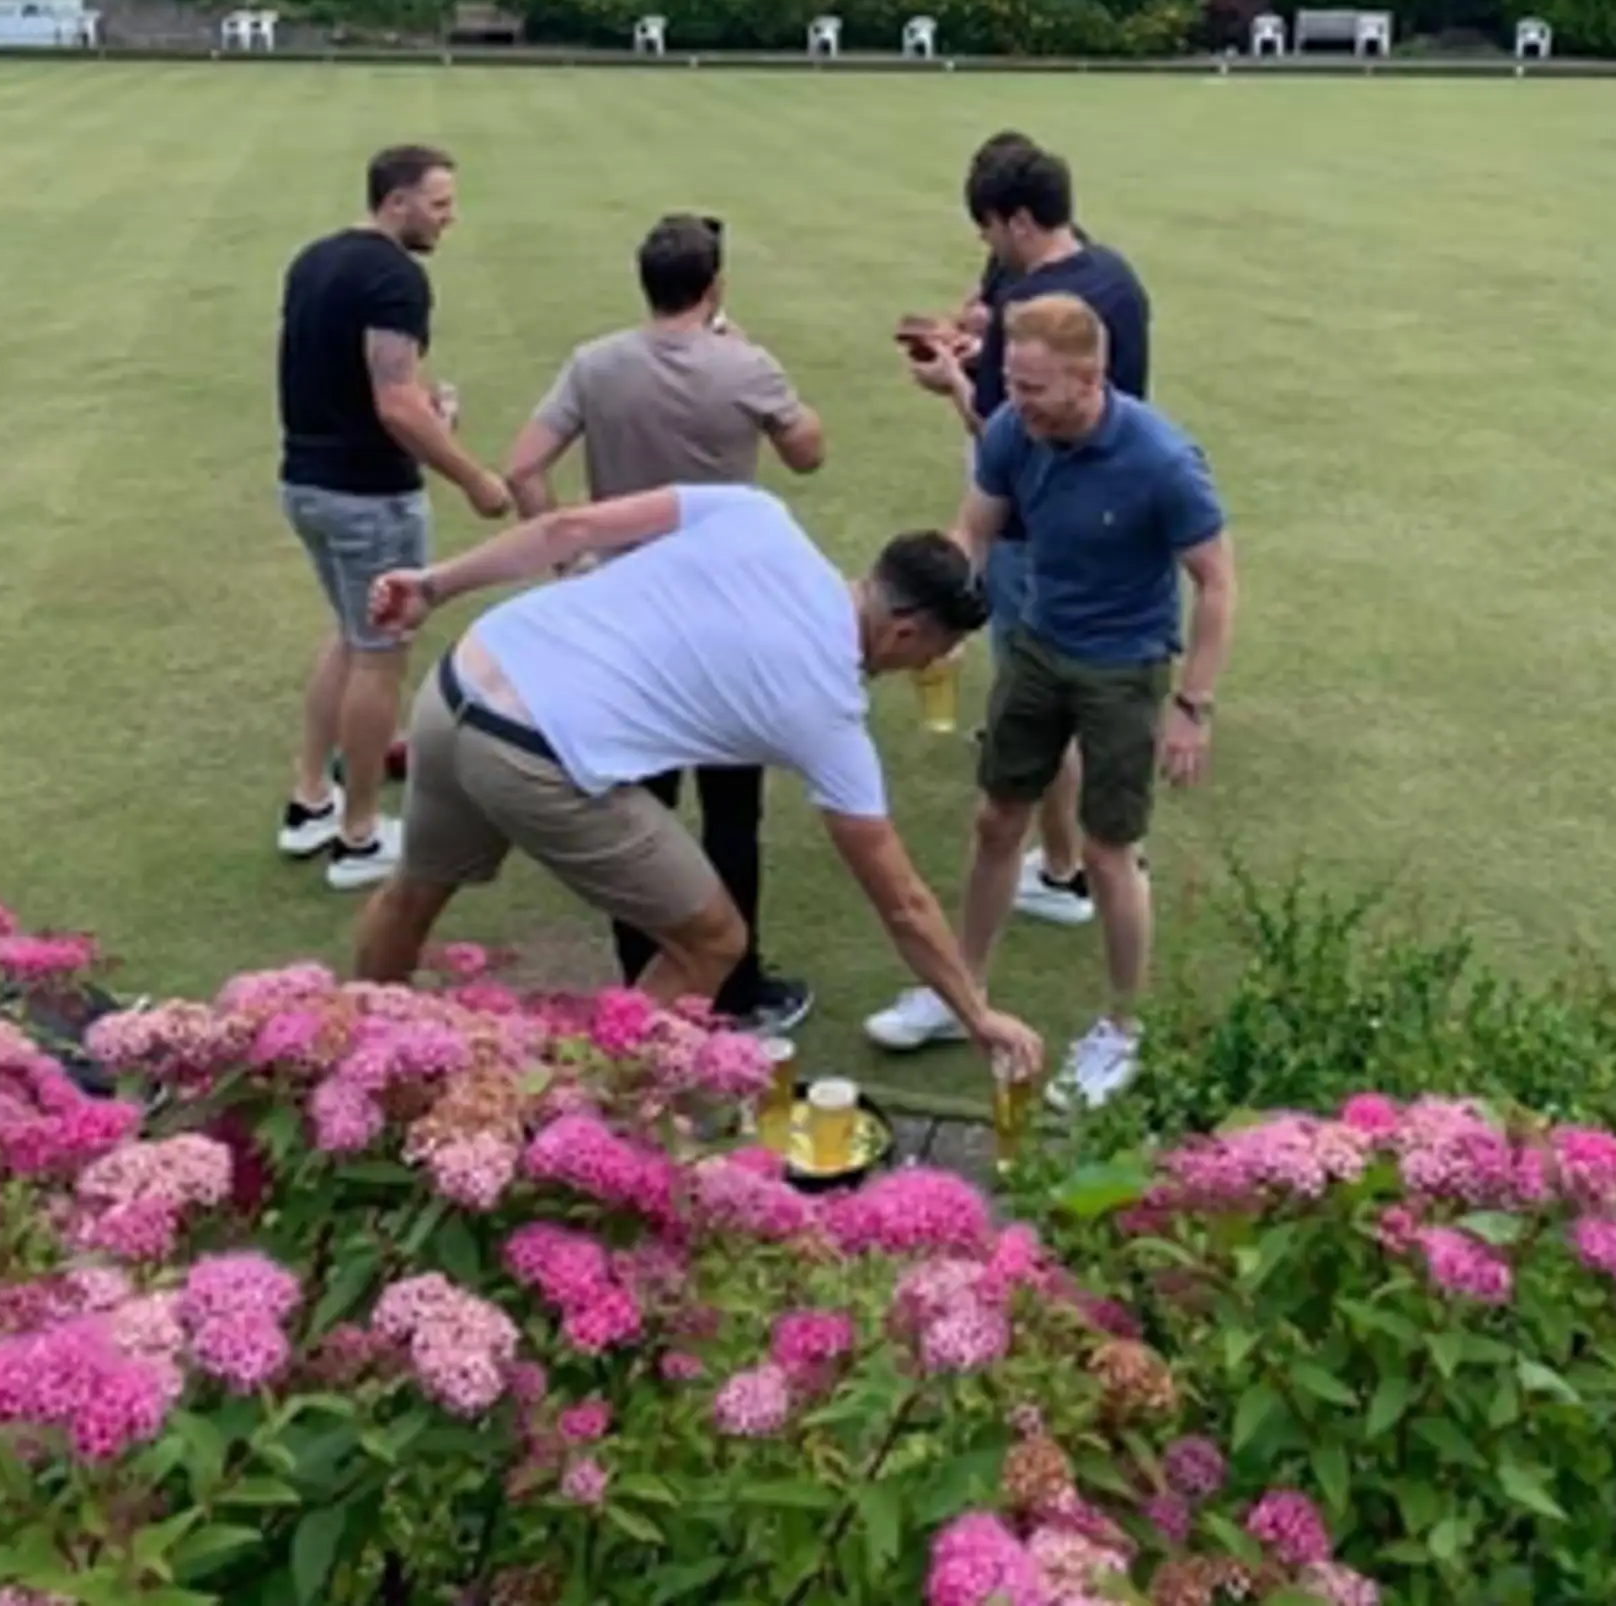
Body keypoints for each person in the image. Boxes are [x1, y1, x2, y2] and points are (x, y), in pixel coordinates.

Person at [352, 485, 1048, 1091]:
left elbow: (571, 530)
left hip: (464, 676)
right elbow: (902, 901)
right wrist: (975, 1012)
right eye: (933, 653)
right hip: (539, 754)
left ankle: (350, 1065)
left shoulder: (759, 515)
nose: (925, 667)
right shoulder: (828, 711)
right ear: (905, 632)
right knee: (713, 941)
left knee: (413, 891)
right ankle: (589, 1119)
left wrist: (434, 584)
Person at [867, 293, 1235, 1108]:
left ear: (1089, 379)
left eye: (1032, 387)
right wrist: (946, 615)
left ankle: (1120, 1029)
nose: (1014, 400)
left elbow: (1215, 582)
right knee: (997, 820)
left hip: (1123, 667)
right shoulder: (1011, 432)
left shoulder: (1163, 461)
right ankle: (960, 989)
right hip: (1036, 646)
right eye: (1010, 381)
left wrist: (1193, 705)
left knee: (1109, 853)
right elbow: (975, 531)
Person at [503, 212, 826, 1036]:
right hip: (727, 623)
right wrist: (750, 359)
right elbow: (807, 452)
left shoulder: (596, 364)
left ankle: (643, 983)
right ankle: (740, 990)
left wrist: (570, 564)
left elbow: (522, 467)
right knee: (730, 814)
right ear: (713, 285)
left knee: (632, 814)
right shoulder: (743, 365)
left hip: (626, 619)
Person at [902, 136, 1153, 930]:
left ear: (1015, 219)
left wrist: (950, 382)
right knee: (1086, 673)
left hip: (1035, 517)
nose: (987, 248)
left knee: (1042, 684)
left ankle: (1066, 867)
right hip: (1108, 505)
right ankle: (1093, 853)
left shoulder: (1030, 311)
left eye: (987, 231)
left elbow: (999, 427)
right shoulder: (1112, 277)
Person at [276, 145, 512, 890]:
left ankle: (309, 799)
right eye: (439, 205)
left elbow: (348, 380)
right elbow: (395, 400)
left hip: (307, 482)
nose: (450, 218)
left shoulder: (315, 259)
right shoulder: (395, 277)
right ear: (397, 202)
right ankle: (358, 839)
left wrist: (423, 415)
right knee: (380, 654)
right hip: (368, 495)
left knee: (349, 640)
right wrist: (475, 478)